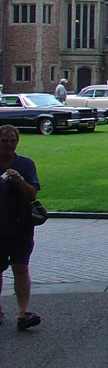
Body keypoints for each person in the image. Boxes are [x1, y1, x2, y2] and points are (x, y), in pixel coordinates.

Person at [0, 125, 43, 330]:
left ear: (17, 142)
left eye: (12, 140)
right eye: (4, 140)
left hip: (20, 225)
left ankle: (23, 312)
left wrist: (19, 180)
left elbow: (32, 194)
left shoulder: (25, 165)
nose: (8, 145)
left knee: (21, 267)